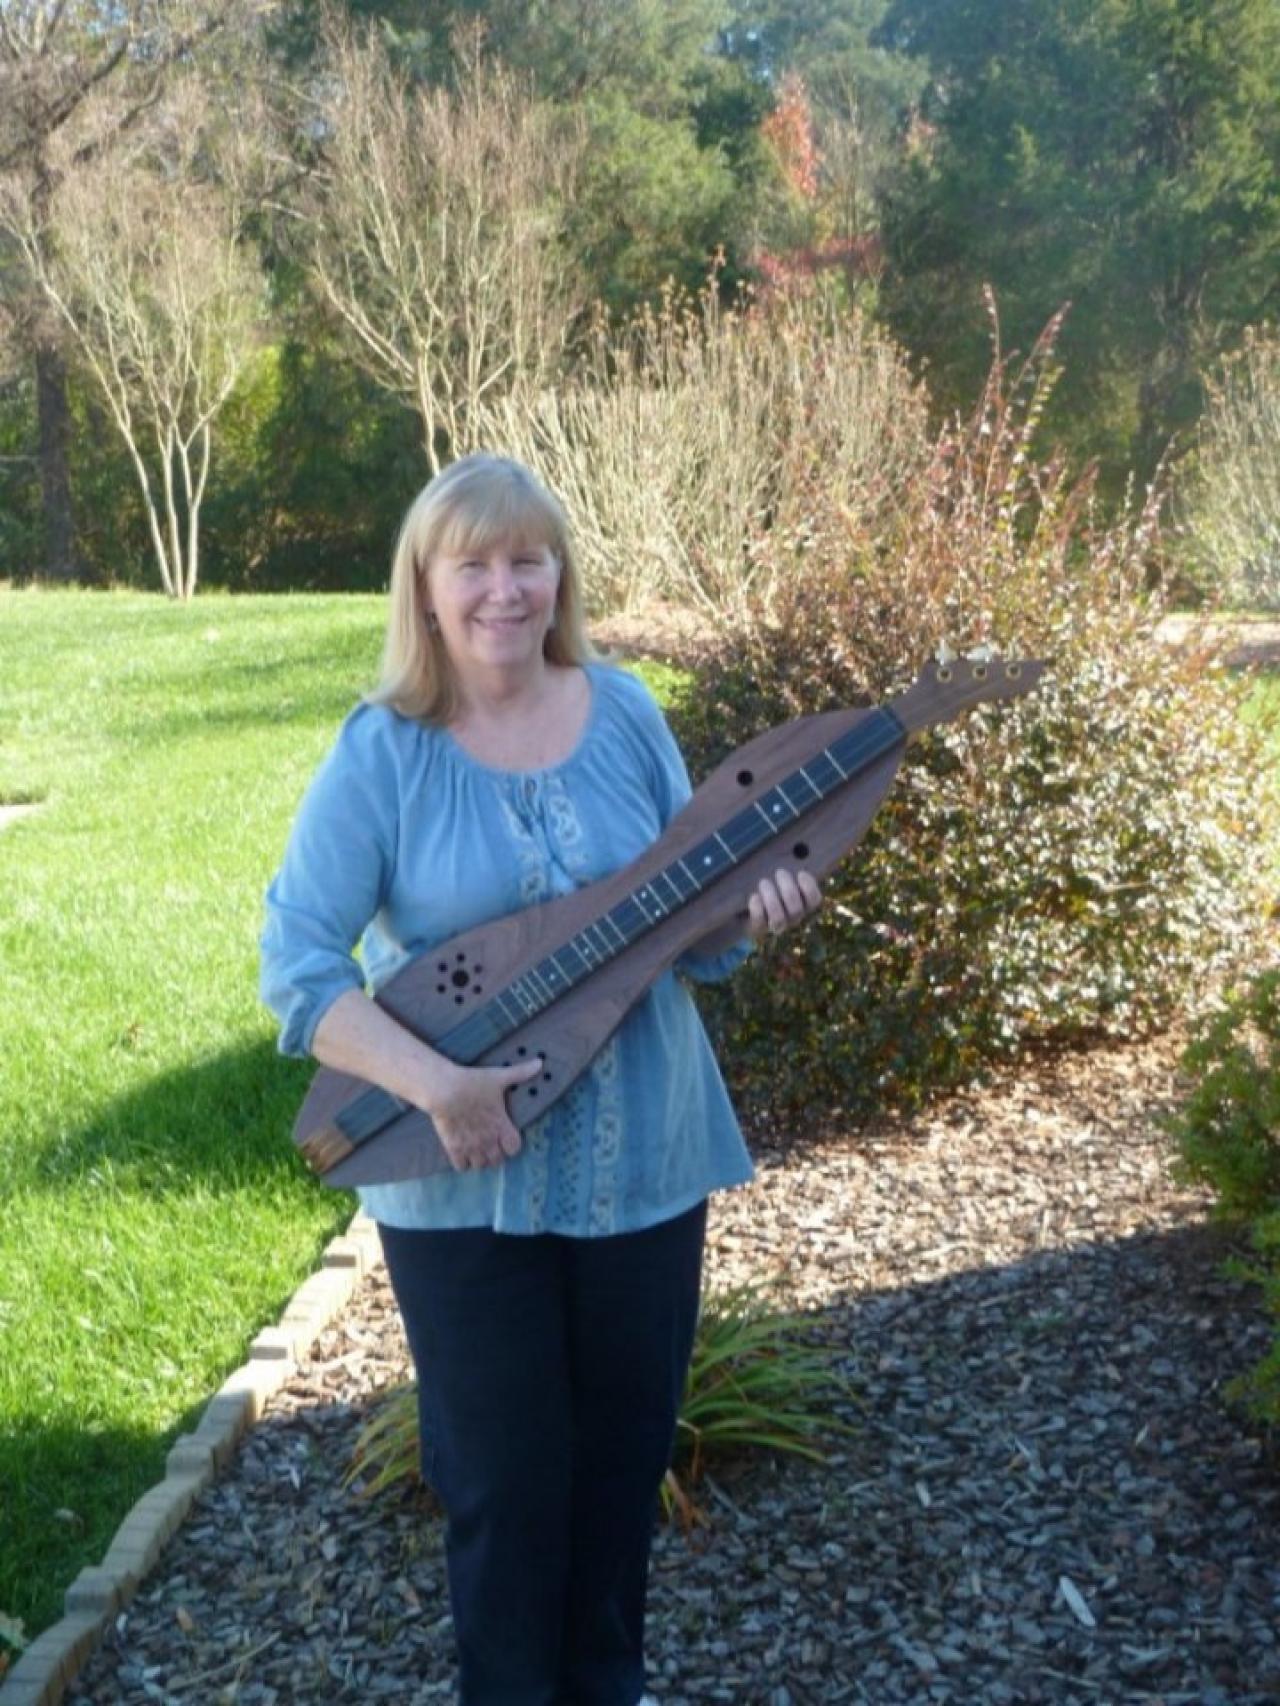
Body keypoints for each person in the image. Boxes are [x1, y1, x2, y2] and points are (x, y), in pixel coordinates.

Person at [259, 453, 821, 1706]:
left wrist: (750, 914)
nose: (503, 589)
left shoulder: (621, 712)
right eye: (473, 563)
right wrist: (433, 1085)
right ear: (424, 584)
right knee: (505, 1492)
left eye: (528, 559)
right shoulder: (384, 753)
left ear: (559, 576)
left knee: (618, 1476)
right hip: (465, 1189)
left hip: (646, 1163)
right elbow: (297, 967)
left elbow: (687, 937)